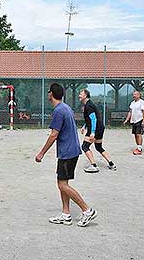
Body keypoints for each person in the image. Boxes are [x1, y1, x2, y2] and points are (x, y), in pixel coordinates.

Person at [35, 83, 97, 227]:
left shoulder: (59, 111)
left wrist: (41, 153)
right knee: (62, 184)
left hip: (68, 152)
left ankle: (87, 210)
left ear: (51, 94)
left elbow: (53, 134)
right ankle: (66, 214)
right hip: (70, 151)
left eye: (48, 92)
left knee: (62, 185)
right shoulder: (65, 107)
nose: (48, 94)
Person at [78, 89, 117, 173]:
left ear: (85, 95)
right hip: (100, 127)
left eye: (80, 94)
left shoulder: (89, 105)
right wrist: (84, 126)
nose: (79, 95)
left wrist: (92, 132)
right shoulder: (89, 104)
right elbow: (90, 118)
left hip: (95, 128)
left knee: (85, 146)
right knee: (98, 147)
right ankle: (111, 164)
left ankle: (94, 166)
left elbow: (93, 119)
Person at [123, 90, 144, 155]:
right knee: (135, 134)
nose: (134, 95)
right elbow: (130, 112)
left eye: (135, 94)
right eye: (133, 94)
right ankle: (138, 146)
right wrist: (126, 120)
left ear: (139, 95)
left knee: (138, 134)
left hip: (139, 120)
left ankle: (139, 148)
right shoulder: (132, 103)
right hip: (133, 121)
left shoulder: (142, 102)